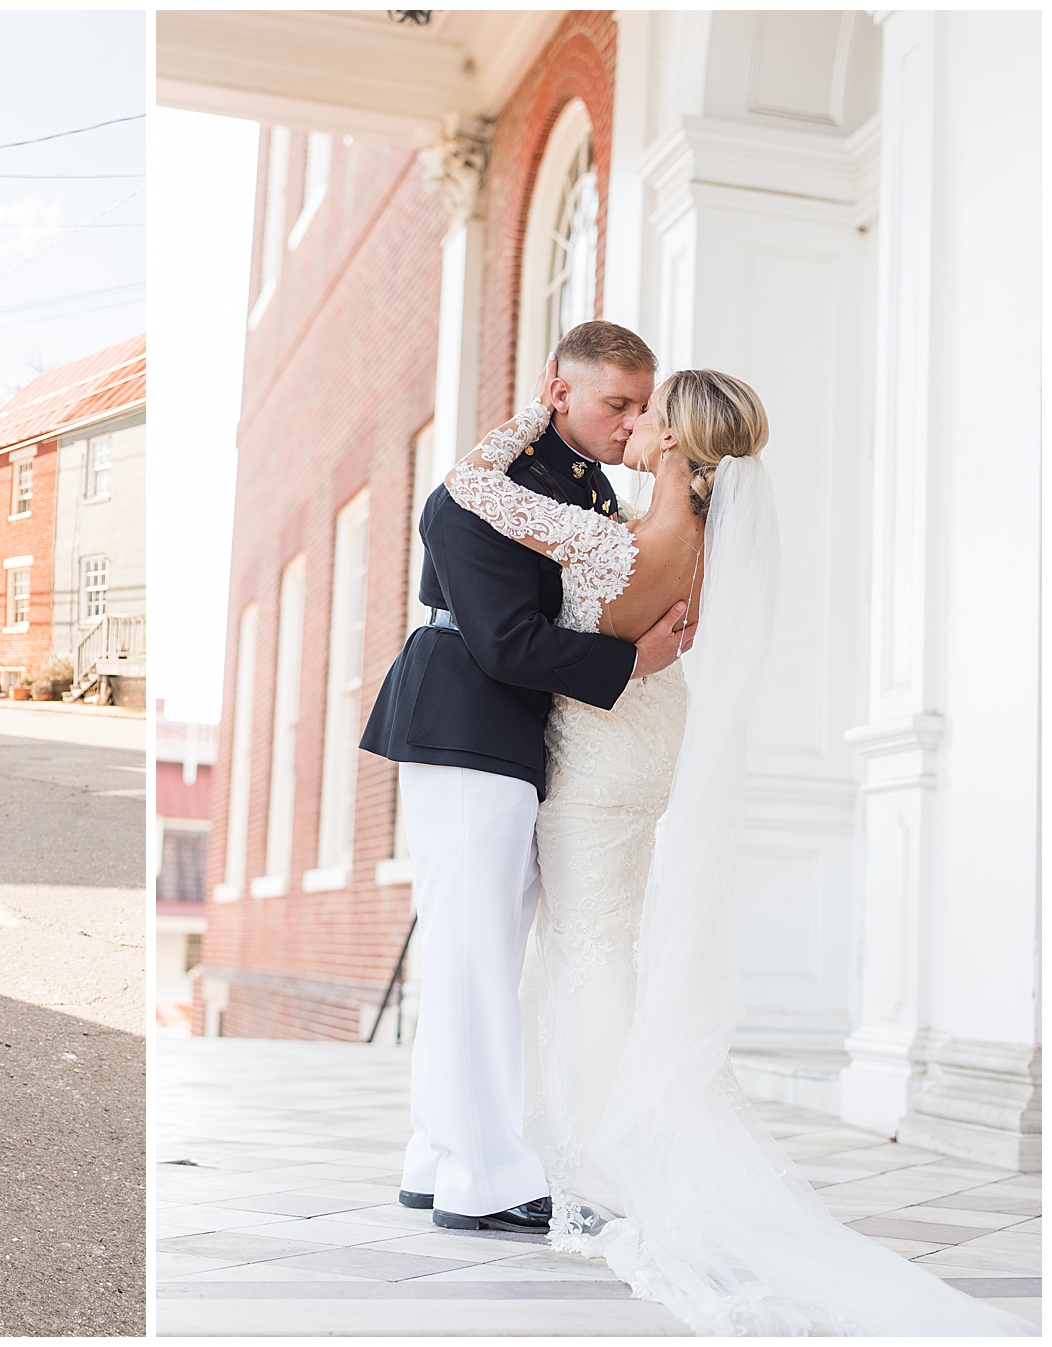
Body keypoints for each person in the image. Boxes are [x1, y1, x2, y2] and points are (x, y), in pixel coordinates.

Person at [445, 354, 1029, 1335]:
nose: (630, 423)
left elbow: (468, 486)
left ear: (672, 437)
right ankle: (605, 1128)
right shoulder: (708, 541)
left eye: (646, 412)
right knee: (608, 943)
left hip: (595, 756)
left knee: (586, 949)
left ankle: (602, 1148)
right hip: (654, 749)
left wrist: (526, 419)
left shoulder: (607, 541)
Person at [359, 320, 692, 1232]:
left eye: (639, 405)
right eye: (614, 404)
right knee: (473, 956)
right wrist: (632, 667)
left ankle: (437, 1153)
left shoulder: (576, 480)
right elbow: (507, 640)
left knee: (479, 951)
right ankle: (485, 1175)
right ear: (559, 391)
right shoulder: (483, 493)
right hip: (464, 720)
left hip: (508, 733)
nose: (631, 424)